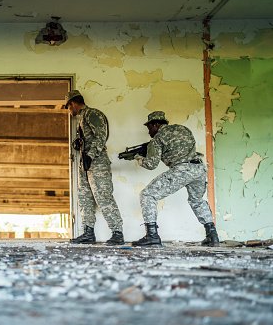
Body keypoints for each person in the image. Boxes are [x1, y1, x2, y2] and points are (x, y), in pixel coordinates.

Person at [129, 111, 219, 247]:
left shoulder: (158, 138)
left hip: (182, 170)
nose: (149, 132)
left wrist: (137, 157)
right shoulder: (183, 129)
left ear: (156, 124)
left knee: (147, 194)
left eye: (149, 128)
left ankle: (152, 236)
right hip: (199, 169)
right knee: (197, 200)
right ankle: (212, 236)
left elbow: (151, 165)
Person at [66, 90, 125, 245]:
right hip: (84, 161)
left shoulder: (92, 114)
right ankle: (88, 233)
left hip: (97, 161)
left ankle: (117, 232)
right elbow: (90, 138)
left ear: (72, 104)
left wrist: (90, 155)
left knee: (103, 196)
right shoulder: (81, 119)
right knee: (84, 196)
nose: (68, 111)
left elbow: (101, 135)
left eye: (68, 107)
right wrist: (79, 145)